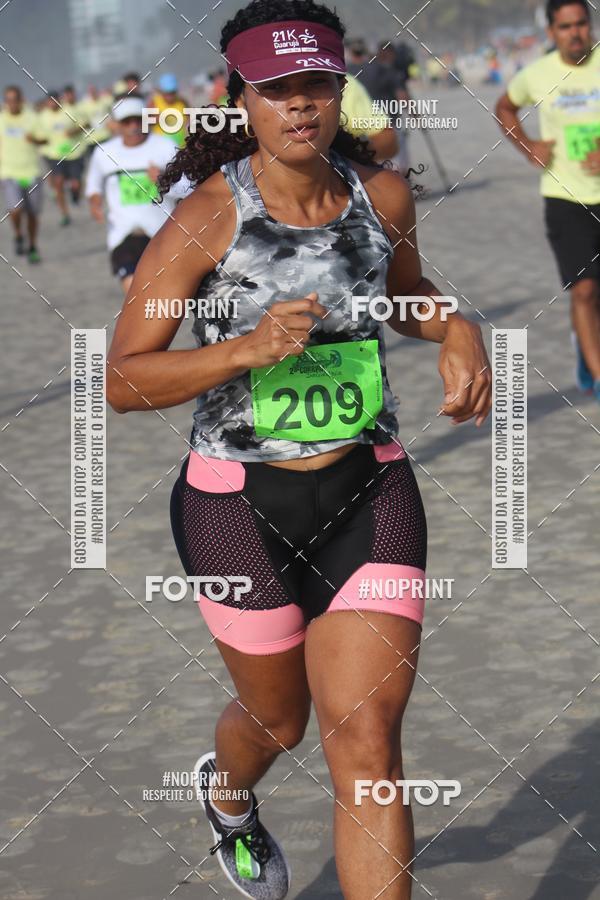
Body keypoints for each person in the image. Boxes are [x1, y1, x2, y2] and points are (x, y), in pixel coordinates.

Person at [106, 1, 491, 897]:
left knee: (366, 740)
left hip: (370, 492)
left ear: (337, 90)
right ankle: (230, 798)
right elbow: (124, 381)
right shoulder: (206, 219)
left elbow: (404, 292)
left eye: (315, 84)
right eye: (275, 89)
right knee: (277, 722)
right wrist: (241, 348)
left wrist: (456, 325)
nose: (299, 105)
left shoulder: (381, 195)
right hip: (237, 508)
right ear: (239, 98)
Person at [496, 0, 600, 402]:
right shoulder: (536, 75)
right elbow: (505, 106)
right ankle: (595, 372)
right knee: (585, 290)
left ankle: (587, 344)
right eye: (565, 27)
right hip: (565, 197)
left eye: (580, 24)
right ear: (552, 32)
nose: (575, 33)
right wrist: (528, 146)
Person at [85, 95, 181, 294]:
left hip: (162, 234)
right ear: (116, 125)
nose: (134, 126)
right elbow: (93, 184)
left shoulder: (166, 146)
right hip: (123, 234)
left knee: (163, 296)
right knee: (133, 290)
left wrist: (164, 180)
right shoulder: (104, 152)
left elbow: (190, 187)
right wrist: (95, 203)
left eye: (139, 120)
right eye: (127, 122)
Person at [346, 38, 410, 173]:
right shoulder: (382, 69)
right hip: (389, 125)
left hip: (359, 130)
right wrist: (415, 114)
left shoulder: (346, 73)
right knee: (397, 168)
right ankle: (400, 189)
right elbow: (402, 96)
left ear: (351, 53)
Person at [0, 85, 43, 262]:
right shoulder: (1, 119)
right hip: (9, 172)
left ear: (20, 100)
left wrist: (34, 139)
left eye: (14, 100)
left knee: (33, 214)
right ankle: (18, 234)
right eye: (8, 100)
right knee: (16, 209)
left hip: (32, 171)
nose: (12, 104)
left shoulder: (32, 118)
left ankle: (32, 245)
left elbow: (44, 138)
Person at [36, 90, 86, 226]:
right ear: (47, 102)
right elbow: (39, 134)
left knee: (76, 184)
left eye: (55, 100)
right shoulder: (43, 116)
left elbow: (84, 124)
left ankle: (75, 193)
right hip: (55, 155)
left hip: (74, 153)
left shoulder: (69, 110)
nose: (52, 103)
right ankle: (65, 214)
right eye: (50, 101)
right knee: (58, 183)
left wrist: (74, 131)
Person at [150, 73, 189, 147]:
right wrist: (157, 119)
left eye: (172, 92)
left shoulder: (182, 102)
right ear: (161, 91)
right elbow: (144, 122)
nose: (170, 96)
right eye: (167, 93)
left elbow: (190, 121)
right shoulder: (154, 102)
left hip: (180, 146)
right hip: (160, 147)